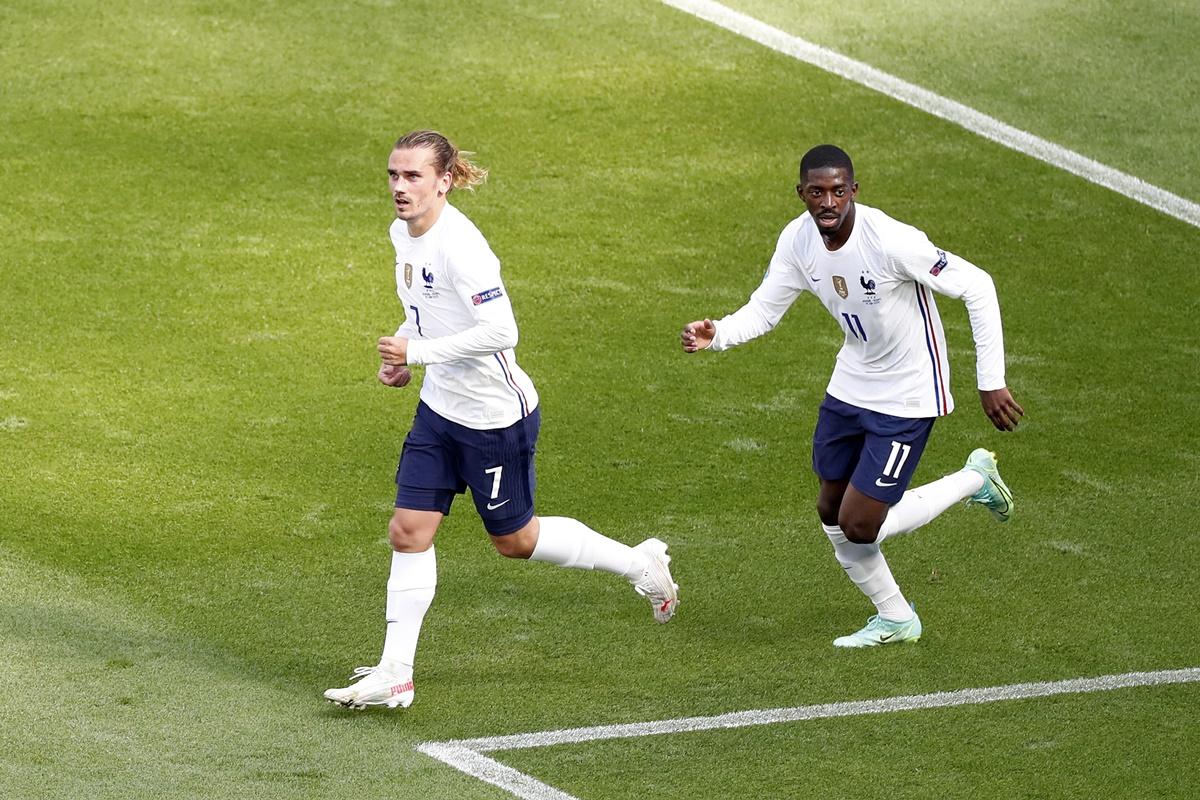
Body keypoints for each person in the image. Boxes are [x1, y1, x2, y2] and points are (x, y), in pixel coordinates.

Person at [325, 130, 678, 709]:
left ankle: (640, 563)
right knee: (407, 530)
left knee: (516, 541)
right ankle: (396, 672)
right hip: (440, 411)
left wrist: (415, 354)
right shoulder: (402, 234)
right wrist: (408, 352)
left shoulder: (463, 248)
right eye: (393, 175)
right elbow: (426, 310)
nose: (399, 187)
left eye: (413, 176)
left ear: (444, 181)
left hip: (494, 420)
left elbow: (501, 332)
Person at [681, 144, 1022, 648]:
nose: (828, 202)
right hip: (852, 381)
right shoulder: (798, 241)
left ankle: (975, 479)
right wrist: (720, 333)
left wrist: (990, 380)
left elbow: (978, 285)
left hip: (908, 393)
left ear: (854, 191)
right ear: (801, 194)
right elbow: (766, 309)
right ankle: (897, 618)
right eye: (816, 192)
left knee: (860, 525)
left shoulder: (890, 240)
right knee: (830, 509)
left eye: (838, 191)